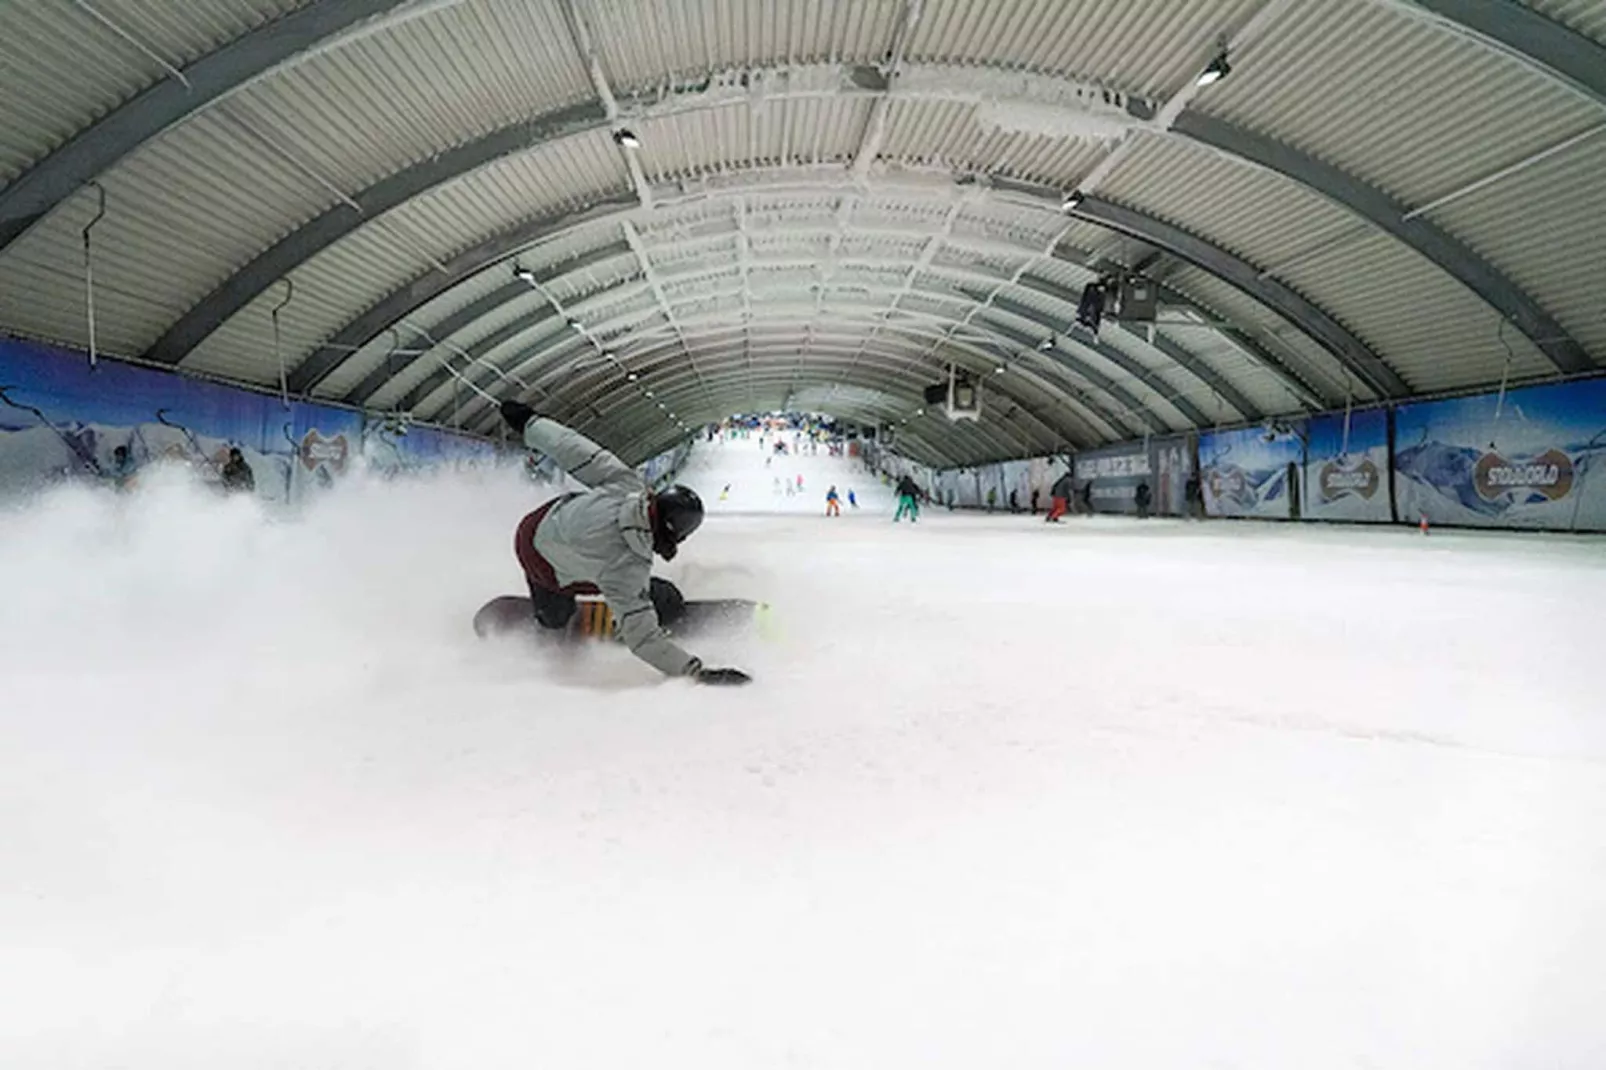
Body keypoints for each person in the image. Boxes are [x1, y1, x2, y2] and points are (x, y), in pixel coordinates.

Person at [498, 400, 750, 686]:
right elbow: (642, 640)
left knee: (580, 594)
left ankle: (553, 612)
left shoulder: (627, 486)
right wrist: (695, 672)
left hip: (537, 524)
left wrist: (530, 424)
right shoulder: (628, 568)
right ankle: (555, 615)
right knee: (657, 599)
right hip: (545, 568)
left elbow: (578, 451)